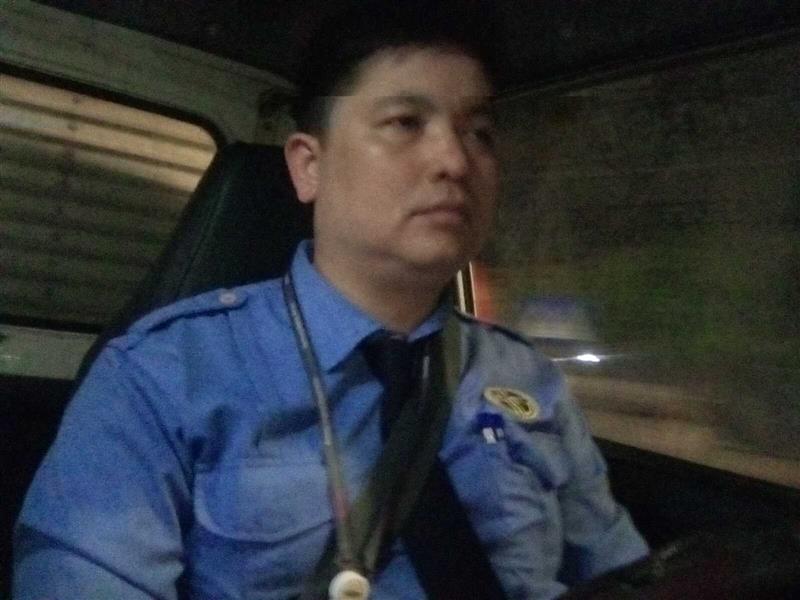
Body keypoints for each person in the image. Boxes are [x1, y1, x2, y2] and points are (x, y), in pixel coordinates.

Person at [13, 2, 648, 598]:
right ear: (308, 166)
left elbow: (630, 578)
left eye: (479, 132)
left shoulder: (528, 379)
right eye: (405, 123)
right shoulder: (164, 375)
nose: (455, 160)